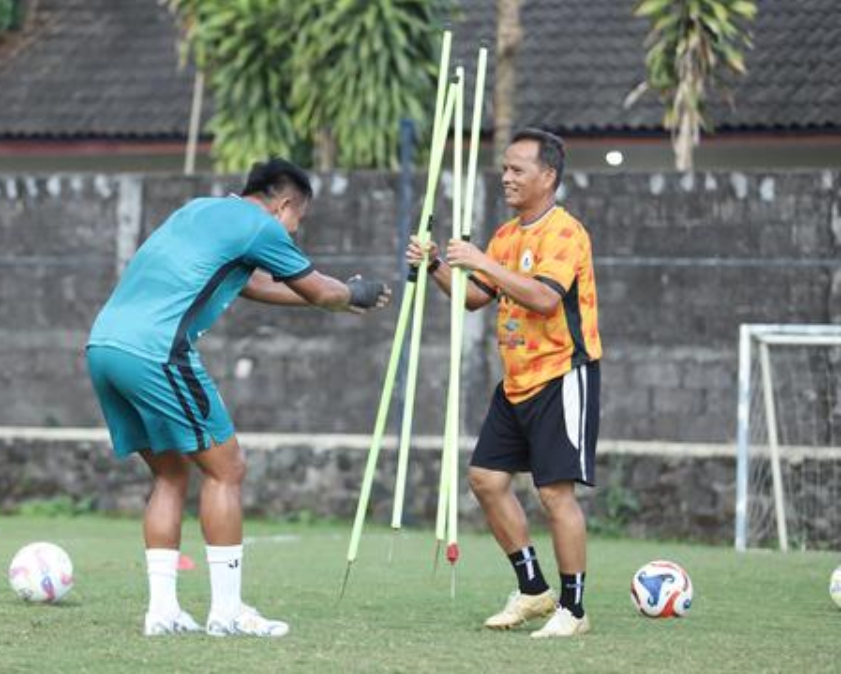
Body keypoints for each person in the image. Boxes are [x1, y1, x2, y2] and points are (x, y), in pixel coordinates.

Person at [86, 158, 391, 637]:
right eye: (299, 221)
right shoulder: (260, 226)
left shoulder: (198, 211)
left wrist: (329, 299)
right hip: (157, 351)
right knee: (227, 469)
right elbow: (317, 289)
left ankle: (162, 613)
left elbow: (248, 283)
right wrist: (353, 292)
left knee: (170, 473)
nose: (294, 230)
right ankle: (226, 613)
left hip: (104, 346)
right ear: (285, 204)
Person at [408, 128, 602, 638]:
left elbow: (543, 299)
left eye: (518, 169)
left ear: (548, 176)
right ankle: (533, 589)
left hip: (563, 374)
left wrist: (482, 261)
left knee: (555, 493)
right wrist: (436, 266)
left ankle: (574, 610)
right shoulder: (505, 235)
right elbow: (475, 298)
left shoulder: (566, 232)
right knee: (486, 480)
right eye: (506, 169)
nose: (507, 178)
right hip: (515, 379)